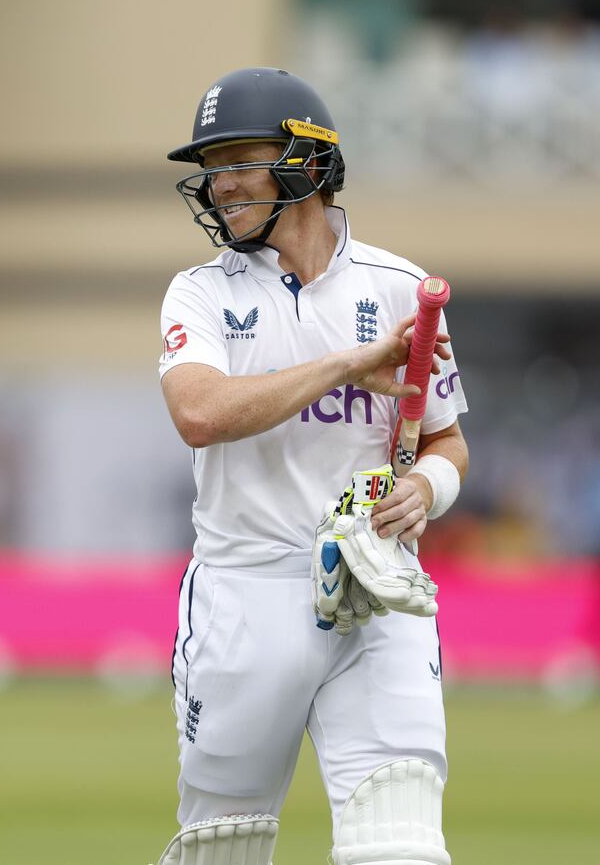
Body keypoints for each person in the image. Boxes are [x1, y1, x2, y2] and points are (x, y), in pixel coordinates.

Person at [152, 68, 468, 865]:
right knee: (224, 845)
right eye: (211, 167)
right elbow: (200, 414)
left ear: (304, 159)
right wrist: (348, 363)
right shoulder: (198, 294)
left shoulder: (400, 287)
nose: (219, 186)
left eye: (238, 161)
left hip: (378, 588)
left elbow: (447, 441)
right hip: (245, 591)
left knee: (399, 840)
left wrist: (425, 489)